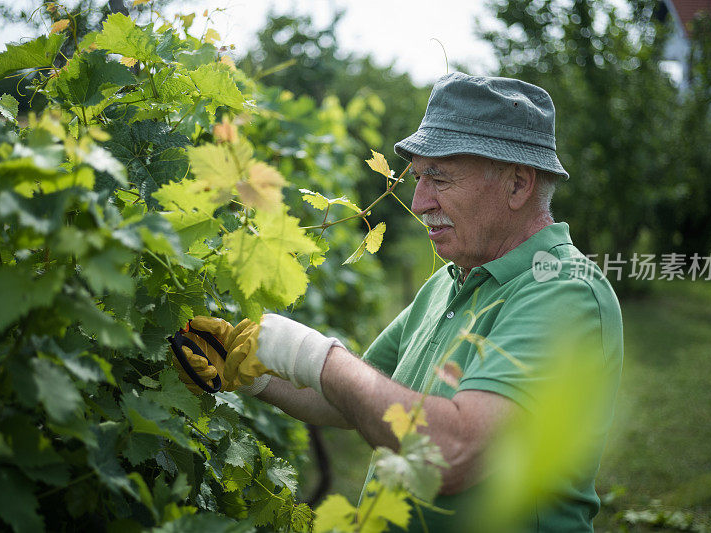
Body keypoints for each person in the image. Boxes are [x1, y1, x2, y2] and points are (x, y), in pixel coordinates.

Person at [173, 72, 623, 532]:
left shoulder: (563, 291)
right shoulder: (451, 282)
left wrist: (304, 351)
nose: (418, 200)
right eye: (418, 176)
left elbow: (453, 454)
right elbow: (353, 398)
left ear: (517, 184)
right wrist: (250, 372)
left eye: (439, 178)